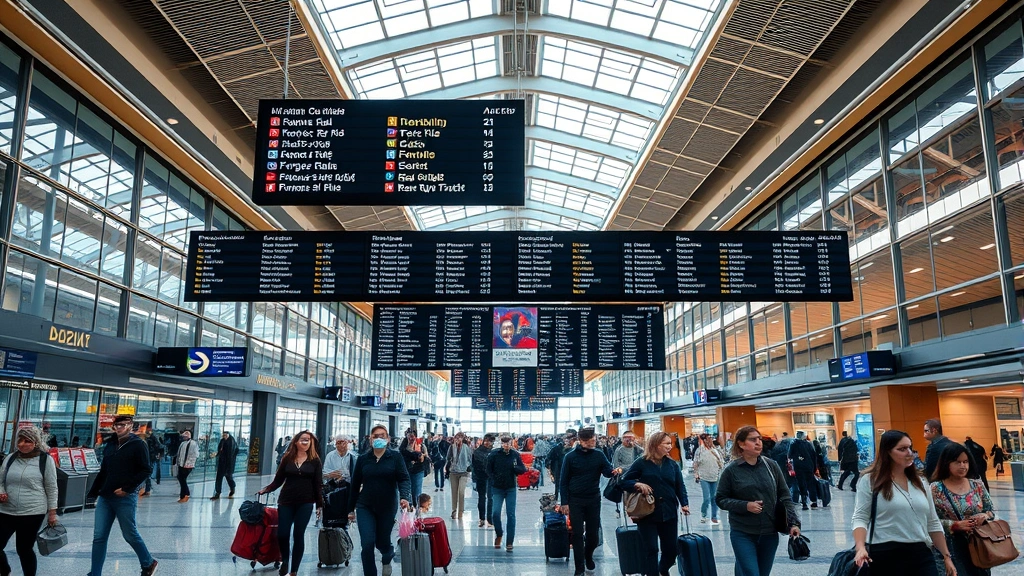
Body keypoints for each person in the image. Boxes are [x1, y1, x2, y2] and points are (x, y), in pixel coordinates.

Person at [851, 430, 956, 576]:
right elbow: (860, 517)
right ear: (887, 452)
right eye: (902, 449)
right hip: (885, 553)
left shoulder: (921, 482)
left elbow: (933, 522)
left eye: (910, 448)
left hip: (921, 552)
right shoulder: (870, 480)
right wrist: (860, 547)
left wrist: (946, 556)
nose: (909, 453)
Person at [715, 426, 801, 576]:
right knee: (751, 573)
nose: (758, 443)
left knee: (762, 573)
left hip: (769, 532)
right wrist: (745, 506)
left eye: (759, 439)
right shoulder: (731, 471)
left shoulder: (771, 465)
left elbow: (785, 495)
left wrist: (793, 523)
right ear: (741, 444)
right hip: (743, 532)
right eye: (752, 439)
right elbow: (721, 499)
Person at [86, 415, 158, 576]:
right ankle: (95, 573)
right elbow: (104, 471)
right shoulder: (110, 445)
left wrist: (127, 488)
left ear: (130, 426)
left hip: (125, 497)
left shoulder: (138, 444)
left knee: (129, 534)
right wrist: (93, 493)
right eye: (116, 425)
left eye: (123, 425)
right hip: (106, 497)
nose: (119, 428)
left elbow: (146, 470)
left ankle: (148, 562)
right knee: (99, 537)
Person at [620, 431, 689, 576]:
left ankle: (663, 568)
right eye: (667, 443)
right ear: (656, 445)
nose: (670, 446)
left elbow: (679, 486)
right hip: (647, 513)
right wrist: (638, 485)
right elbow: (623, 482)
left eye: (671, 443)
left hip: (669, 512)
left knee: (671, 549)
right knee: (651, 549)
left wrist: (684, 503)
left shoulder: (672, 465)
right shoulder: (641, 462)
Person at [258, 431, 324, 576]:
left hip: (306, 502)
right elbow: (278, 480)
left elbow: (318, 484)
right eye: (303, 439)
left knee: (298, 534)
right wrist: (266, 489)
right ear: (296, 442)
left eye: (308, 440)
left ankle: (294, 570)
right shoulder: (287, 458)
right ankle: (285, 561)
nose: (306, 442)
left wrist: (319, 504)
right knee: (282, 533)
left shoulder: (315, 460)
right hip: (286, 500)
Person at [348, 425, 411, 576]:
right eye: (375, 436)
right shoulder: (363, 459)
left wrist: (404, 496)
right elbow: (355, 485)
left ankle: (387, 554)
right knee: (367, 543)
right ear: (370, 440)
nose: (379, 438)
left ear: (388, 439)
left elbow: (404, 478)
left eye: (382, 436)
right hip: (365, 506)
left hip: (387, 506)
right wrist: (350, 509)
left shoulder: (395, 457)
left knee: (382, 542)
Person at [559, 428, 619, 576]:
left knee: (593, 536)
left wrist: (613, 471)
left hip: (593, 498)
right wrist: (564, 502)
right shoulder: (570, 457)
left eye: (593, 440)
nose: (592, 443)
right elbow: (563, 481)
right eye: (589, 441)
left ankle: (588, 555)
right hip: (575, 499)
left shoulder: (598, 454)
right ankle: (579, 568)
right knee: (577, 534)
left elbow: (606, 471)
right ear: (580, 441)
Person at [0, 427, 58, 576]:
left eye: (27, 441)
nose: (22, 444)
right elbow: (0, 480)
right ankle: (4, 569)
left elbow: (52, 487)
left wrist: (52, 513)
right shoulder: (11, 458)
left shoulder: (45, 460)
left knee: (24, 549)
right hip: (7, 510)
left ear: (36, 443)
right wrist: (1, 491)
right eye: (19, 440)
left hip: (32, 511)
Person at [930, 442, 995, 576]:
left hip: (978, 545)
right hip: (950, 548)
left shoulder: (976, 485)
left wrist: (984, 516)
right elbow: (930, 521)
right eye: (957, 462)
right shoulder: (936, 489)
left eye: (965, 462)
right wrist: (953, 525)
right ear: (946, 463)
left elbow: (990, 510)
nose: (963, 466)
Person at [486, 435, 527, 552]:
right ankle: (499, 533)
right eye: (504, 443)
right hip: (497, 488)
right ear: (500, 443)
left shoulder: (515, 455)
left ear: (511, 443)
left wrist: (516, 469)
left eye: (508, 443)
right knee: (495, 513)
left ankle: (510, 541)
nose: (506, 445)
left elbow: (522, 468)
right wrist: (494, 479)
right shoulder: (494, 454)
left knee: (511, 515)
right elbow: (488, 469)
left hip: (510, 488)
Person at [692, 433, 724, 524]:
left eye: (710, 439)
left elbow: (721, 462)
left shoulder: (715, 450)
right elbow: (695, 463)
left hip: (715, 476)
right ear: (703, 440)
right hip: (704, 477)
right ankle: (704, 514)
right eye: (707, 439)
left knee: (714, 497)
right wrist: (696, 474)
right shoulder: (700, 451)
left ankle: (714, 516)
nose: (709, 440)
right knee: (707, 498)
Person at [612, 430, 643, 515]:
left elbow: (643, 454)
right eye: (626, 438)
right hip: (625, 477)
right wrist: (625, 469)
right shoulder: (619, 450)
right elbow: (616, 465)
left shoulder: (636, 448)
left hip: (637, 475)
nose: (629, 440)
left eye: (631, 438)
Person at [445, 432, 472, 521]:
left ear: (462, 438)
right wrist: (449, 466)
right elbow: (448, 458)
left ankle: (461, 511)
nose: (458, 439)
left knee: (461, 492)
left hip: (463, 472)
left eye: (460, 437)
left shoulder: (466, 447)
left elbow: (470, 458)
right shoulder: (451, 447)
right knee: (454, 492)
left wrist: (468, 466)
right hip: (453, 472)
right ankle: (454, 510)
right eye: (457, 437)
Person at [789, 431, 819, 510]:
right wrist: (814, 468)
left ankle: (804, 503)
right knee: (811, 484)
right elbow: (814, 456)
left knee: (801, 484)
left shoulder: (793, 444)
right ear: (803, 436)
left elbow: (789, 455)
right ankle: (814, 501)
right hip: (809, 467)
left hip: (799, 467)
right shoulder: (809, 444)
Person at [398, 429, 427, 506]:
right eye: (409, 437)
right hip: (406, 471)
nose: (411, 439)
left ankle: (417, 512)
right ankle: (409, 511)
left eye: (413, 437)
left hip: (418, 471)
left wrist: (420, 456)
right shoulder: (403, 446)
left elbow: (424, 457)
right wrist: (416, 456)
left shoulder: (420, 445)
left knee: (416, 493)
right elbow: (402, 454)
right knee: (407, 492)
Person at [472, 434, 495, 528]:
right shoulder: (478, 452)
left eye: (491, 441)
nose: (489, 443)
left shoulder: (493, 452)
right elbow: (475, 466)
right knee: (482, 498)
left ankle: (489, 519)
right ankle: (482, 518)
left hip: (489, 477)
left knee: (490, 498)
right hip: (481, 477)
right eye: (488, 440)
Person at [210, 431, 239, 500]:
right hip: (221, 463)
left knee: (229, 478)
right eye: (223, 435)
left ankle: (232, 488)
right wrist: (217, 454)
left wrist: (229, 465)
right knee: (219, 478)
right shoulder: (222, 441)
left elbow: (232, 454)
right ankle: (218, 493)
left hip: (228, 464)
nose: (224, 436)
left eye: (226, 435)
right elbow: (220, 450)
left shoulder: (232, 442)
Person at [547, 430, 574, 500]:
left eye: (570, 438)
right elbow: (548, 459)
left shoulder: (576, 450)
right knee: (559, 489)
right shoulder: (556, 449)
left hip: (572, 475)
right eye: (566, 438)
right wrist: (551, 471)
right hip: (559, 472)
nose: (567, 440)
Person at [174, 429, 198, 503]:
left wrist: (189, 462)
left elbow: (195, 454)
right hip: (181, 464)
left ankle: (186, 494)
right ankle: (183, 495)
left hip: (187, 465)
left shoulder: (193, 444)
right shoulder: (183, 443)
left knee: (182, 479)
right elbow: (179, 454)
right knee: (181, 479)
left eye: (184, 436)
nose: (183, 437)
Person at [142, 430, 163, 496]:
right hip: (150, 458)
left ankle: (148, 489)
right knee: (148, 474)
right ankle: (148, 489)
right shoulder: (152, 439)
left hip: (150, 458)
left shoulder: (151, 439)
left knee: (147, 474)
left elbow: (159, 447)